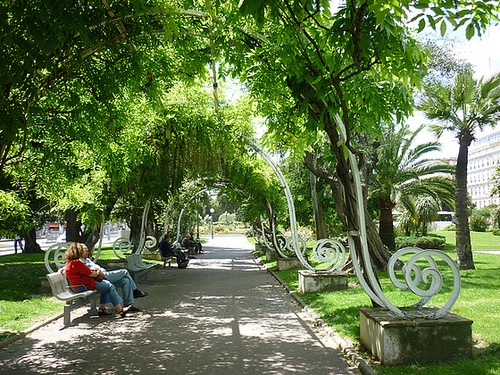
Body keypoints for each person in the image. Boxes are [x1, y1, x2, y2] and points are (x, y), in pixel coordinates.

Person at [63, 242, 129, 317]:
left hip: (78, 286)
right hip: (82, 286)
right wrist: (98, 272)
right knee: (109, 286)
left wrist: (95, 272)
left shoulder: (70, 262)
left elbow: (86, 271)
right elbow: (91, 274)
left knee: (105, 285)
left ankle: (102, 308)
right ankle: (120, 310)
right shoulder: (77, 262)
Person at [80, 245, 147, 312]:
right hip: (100, 276)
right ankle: (135, 291)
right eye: (86, 251)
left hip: (104, 274)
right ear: (80, 252)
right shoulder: (81, 262)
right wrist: (98, 272)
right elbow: (90, 272)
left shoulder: (87, 260)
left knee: (125, 281)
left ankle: (128, 304)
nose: (88, 252)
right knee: (124, 272)